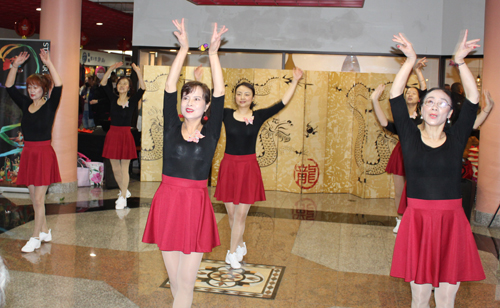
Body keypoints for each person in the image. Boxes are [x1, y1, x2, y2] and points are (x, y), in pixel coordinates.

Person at [389, 31, 485, 307]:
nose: (435, 106)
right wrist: (410, 61)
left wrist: (460, 62)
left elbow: (474, 99)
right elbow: (396, 96)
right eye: (429, 101)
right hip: (417, 219)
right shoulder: (409, 137)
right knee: (419, 297)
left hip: (451, 222)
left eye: (442, 103)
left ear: (450, 113)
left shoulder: (456, 140)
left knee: (446, 296)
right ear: (421, 109)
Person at [142, 19, 228, 308]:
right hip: (167, 201)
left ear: (206, 108)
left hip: (195, 204)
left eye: (197, 99)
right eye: (186, 97)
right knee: (176, 281)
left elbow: (219, 92)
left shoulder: (211, 132)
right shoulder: (170, 126)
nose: (190, 101)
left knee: (187, 283)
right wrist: (183, 50)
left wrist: (213, 54)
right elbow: (169, 84)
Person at [213, 68, 303, 269]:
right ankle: (241, 244)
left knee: (241, 215)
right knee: (231, 215)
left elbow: (281, 104)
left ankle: (232, 252)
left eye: (246, 94)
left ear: (252, 97)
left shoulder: (259, 115)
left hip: (248, 168)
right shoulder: (225, 114)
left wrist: (295, 81)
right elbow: (210, 102)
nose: (242, 97)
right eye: (239, 94)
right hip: (229, 166)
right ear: (235, 97)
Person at [5, 49, 62, 253]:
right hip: (29, 153)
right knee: (35, 200)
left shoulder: (50, 105)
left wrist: (49, 62)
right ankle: (45, 230)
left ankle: (35, 236)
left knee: (39, 200)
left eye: (36, 87)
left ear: (44, 89)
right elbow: (10, 87)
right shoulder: (25, 103)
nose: (31, 90)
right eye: (29, 87)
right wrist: (14, 65)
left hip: (44, 154)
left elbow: (60, 85)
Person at [371, 57, 427, 234]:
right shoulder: (402, 119)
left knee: (417, 189)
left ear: (420, 100)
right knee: (399, 191)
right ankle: (401, 219)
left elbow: (425, 91)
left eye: (413, 92)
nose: (409, 94)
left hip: (420, 155)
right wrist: (374, 100)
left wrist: (417, 70)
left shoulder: (423, 118)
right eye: (407, 92)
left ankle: (417, 220)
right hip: (401, 154)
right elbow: (385, 123)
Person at [100, 62, 146, 209]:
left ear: (128, 87)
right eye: (120, 83)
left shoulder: (132, 100)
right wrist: (111, 69)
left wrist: (138, 72)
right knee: (115, 169)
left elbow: (143, 88)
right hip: (113, 134)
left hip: (125, 135)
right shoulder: (113, 99)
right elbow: (103, 83)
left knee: (124, 168)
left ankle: (123, 196)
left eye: (125, 83)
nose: (122, 85)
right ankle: (124, 191)